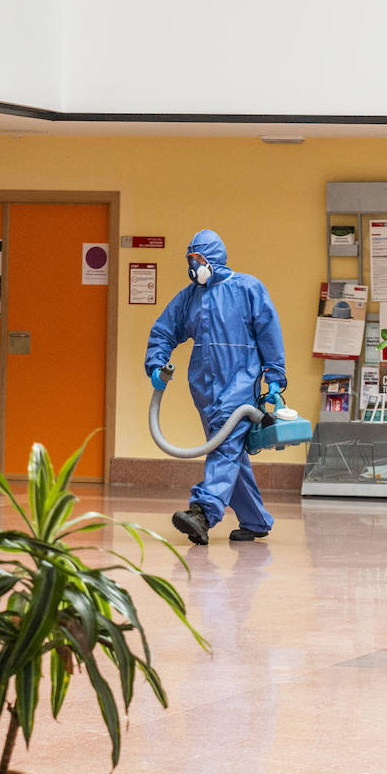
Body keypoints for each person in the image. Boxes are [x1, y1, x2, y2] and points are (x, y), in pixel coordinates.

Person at [145, 230, 286, 545]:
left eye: (198, 260)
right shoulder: (189, 297)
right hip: (204, 388)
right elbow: (165, 329)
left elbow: (269, 331)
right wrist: (156, 363)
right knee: (228, 450)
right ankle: (255, 519)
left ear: (214, 258)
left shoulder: (247, 288)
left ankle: (203, 513)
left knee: (224, 447)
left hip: (239, 383)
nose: (193, 267)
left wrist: (274, 376)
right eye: (190, 260)